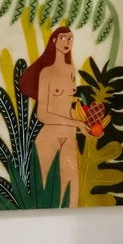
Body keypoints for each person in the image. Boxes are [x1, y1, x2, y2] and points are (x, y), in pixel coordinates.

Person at [18, 26, 83, 207]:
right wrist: (75, 122)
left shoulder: (71, 69)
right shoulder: (46, 72)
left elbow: (68, 106)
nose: (67, 43)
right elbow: (43, 114)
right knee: (48, 192)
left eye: (70, 39)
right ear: (54, 40)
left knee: (72, 195)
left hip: (69, 135)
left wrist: (82, 123)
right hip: (49, 137)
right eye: (63, 38)